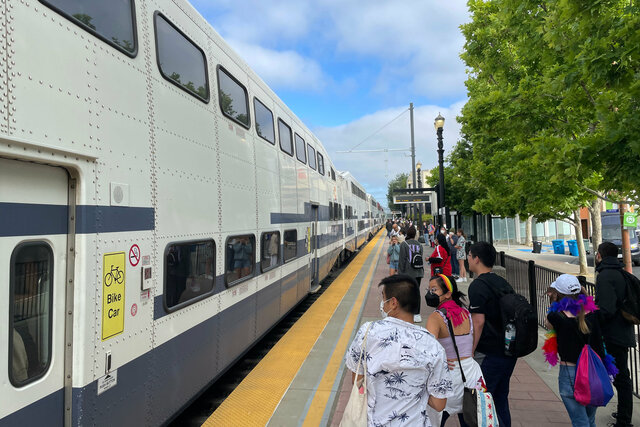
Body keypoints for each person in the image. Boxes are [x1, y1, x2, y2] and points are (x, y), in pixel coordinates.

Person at [345, 274, 454, 426]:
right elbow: (439, 404)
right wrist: (414, 389)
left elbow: (357, 381)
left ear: (393, 303)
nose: (383, 304)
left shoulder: (368, 332)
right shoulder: (433, 345)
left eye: (384, 299)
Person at [544, 274, 613, 427]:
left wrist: (555, 299)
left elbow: (548, 324)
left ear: (558, 294)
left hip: (571, 372)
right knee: (589, 420)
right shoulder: (594, 313)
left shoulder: (557, 316)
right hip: (594, 370)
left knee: (580, 421)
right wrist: (584, 293)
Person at [467, 241, 517, 427]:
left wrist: (470, 351)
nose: (467, 259)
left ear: (477, 259)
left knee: (482, 400)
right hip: (507, 351)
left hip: (489, 353)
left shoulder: (478, 286)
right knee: (500, 399)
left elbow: (478, 322)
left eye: (469, 255)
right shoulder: (500, 281)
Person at [426, 274, 484, 427]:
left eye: (434, 290)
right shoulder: (465, 313)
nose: (429, 294)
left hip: (450, 376)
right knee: (471, 418)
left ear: (447, 293)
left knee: (435, 419)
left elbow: (428, 351)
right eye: (428, 289)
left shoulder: (436, 317)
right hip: (472, 374)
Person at [595, 242, 636, 427]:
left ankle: (624, 421)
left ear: (599, 255)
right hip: (623, 332)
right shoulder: (620, 273)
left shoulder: (605, 275)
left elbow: (606, 309)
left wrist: (592, 320)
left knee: (621, 378)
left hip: (613, 335)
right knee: (622, 377)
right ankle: (623, 414)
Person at [398, 226, 424, 323]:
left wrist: (400, 275)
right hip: (418, 272)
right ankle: (417, 314)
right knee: (416, 292)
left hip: (408, 273)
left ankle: (407, 313)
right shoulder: (419, 245)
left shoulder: (404, 244)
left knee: (407, 293)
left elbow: (402, 261)